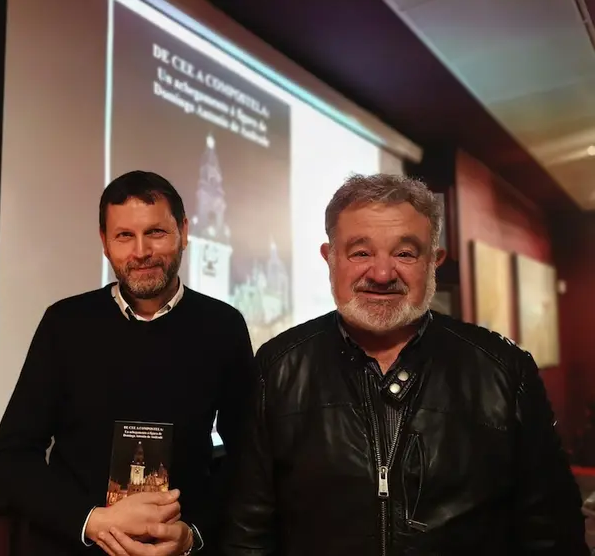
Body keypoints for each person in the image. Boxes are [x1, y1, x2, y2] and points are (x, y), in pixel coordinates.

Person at [221, 173, 589, 555]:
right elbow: (247, 533)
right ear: (330, 258)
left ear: (434, 262)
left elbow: (552, 534)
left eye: (405, 253)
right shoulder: (278, 368)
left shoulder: (504, 372)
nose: (382, 274)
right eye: (360, 253)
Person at [0, 170, 256, 556]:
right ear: (104, 242)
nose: (141, 251)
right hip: (73, 547)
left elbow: (248, 457)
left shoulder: (223, 326)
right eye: (124, 236)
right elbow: (10, 458)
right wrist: (91, 521)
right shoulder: (65, 324)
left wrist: (194, 533)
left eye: (156, 233)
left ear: (183, 230)